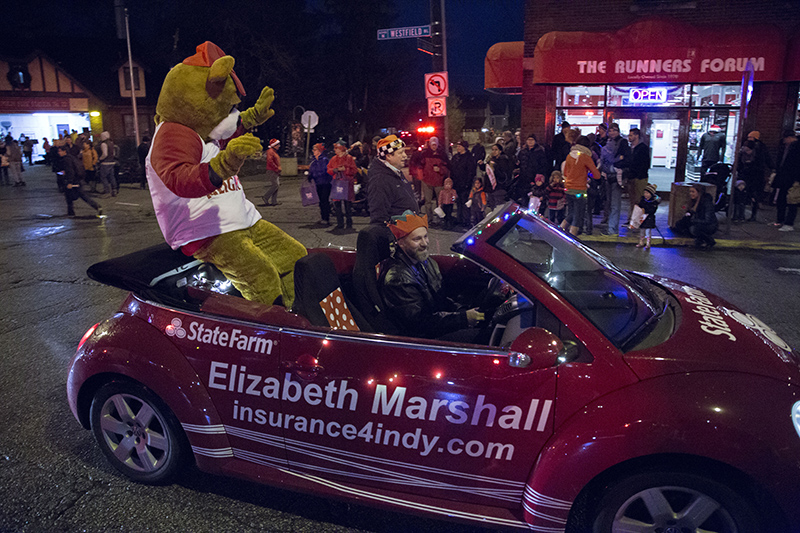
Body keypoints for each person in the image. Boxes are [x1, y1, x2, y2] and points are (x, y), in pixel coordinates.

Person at [379, 210, 484, 341]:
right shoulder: (398, 278)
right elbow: (419, 324)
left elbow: (440, 299)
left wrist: (463, 310)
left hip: (434, 326)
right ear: (401, 243)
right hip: (421, 340)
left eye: (425, 236)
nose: (424, 243)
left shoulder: (426, 262)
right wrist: (463, 318)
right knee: (482, 337)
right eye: (417, 239)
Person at [366, 135, 417, 225]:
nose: (405, 156)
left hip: (405, 231)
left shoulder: (395, 172)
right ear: (389, 156)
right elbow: (379, 217)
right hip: (397, 233)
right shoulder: (380, 180)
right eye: (401, 153)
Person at [560, 135, 600, 236]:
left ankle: (560, 230)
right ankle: (572, 237)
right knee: (578, 215)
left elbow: (565, 172)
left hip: (568, 188)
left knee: (571, 213)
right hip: (580, 189)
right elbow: (597, 174)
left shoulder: (569, 156)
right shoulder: (585, 157)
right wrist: (588, 174)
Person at [599, 123, 629, 235]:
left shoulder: (622, 142)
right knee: (610, 203)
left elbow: (625, 159)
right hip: (609, 176)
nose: (611, 132)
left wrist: (615, 164)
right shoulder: (608, 142)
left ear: (618, 131)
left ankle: (612, 229)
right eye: (610, 130)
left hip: (616, 177)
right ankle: (611, 227)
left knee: (615, 204)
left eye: (614, 130)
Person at [58, 145, 103, 217]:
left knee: (81, 195)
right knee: (71, 196)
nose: (59, 152)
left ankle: (96, 206)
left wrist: (69, 181)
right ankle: (71, 212)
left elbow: (70, 171)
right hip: (77, 179)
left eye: (60, 151)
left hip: (73, 181)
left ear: (64, 151)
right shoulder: (72, 157)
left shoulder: (66, 159)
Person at [413, 136, 449, 221]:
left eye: (435, 145)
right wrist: (421, 176)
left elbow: (447, 168)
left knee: (440, 202)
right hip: (427, 181)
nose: (434, 146)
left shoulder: (442, 154)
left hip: (438, 181)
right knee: (427, 202)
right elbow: (420, 166)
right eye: (432, 145)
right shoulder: (424, 154)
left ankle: (440, 218)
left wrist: (440, 170)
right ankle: (429, 219)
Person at [618, 127, 650, 221]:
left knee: (638, 199)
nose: (629, 137)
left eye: (631, 135)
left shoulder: (642, 148)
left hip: (639, 177)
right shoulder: (630, 148)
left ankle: (637, 220)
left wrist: (637, 174)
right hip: (632, 177)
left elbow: (645, 164)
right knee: (632, 200)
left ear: (637, 136)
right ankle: (632, 219)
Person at [772, 130, 800, 232]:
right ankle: (781, 220)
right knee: (782, 199)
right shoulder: (786, 147)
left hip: (792, 177)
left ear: (789, 138)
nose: (784, 141)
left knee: (792, 200)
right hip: (784, 176)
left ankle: (789, 223)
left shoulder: (796, 147)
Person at [674, 184, 718, 249]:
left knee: (693, 229)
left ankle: (709, 240)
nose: (691, 194)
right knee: (679, 225)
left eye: (693, 192)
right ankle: (698, 238)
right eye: (690, 191)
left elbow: (708, 220)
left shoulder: (706, 203)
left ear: (699, 192)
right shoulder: (695, 201)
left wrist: (692, 221)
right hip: (698, 221)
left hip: (709, 225)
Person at [327, 141, 358, 229]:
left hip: (347, 183)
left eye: (336, 148)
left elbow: (354, 170)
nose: (335, 150)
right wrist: (335, 170)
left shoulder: (349, 158)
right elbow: (329, 169)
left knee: (348, 204)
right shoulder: (333, 159)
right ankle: (340, 223)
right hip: (337, 183)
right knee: (337, 204)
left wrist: (345, 169)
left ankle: (349, 223)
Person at [516, 134, 549, 206]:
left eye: (532, 140)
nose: (530, 142)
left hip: (535, 177)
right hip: (524, 178)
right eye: (529, 140)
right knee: (524, 197)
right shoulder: (523, 151)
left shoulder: (539, 151)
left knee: (534, 199)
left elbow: (543, 165)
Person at [450, 140, 476, 228]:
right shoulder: (456, 157)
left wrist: (467, 183)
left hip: (465, 184)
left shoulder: (469, 157)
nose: (458, 148)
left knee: (465, 202)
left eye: (460, 146)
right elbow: (452, 169)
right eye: (457, 146)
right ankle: (459, 219)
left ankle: (466, 220)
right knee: (458, 202)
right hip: (456, 183)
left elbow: (471, 171)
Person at [308, 143, 331, 226]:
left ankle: (326, 218)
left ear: (319, 151)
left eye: (315, 150)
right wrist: (310, 176)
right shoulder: (314, 160)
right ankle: (323, 217)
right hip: (318, 183)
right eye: (313, 150)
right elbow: (312, 170)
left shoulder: (324, 160)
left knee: (324, 200)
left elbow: (324, 171)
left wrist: (315, 175)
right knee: (321, 201)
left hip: (325, 182)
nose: (313, 151)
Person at [487, 143, 513, 208]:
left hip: (499, 187)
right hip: (490, 188)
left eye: (496, 150)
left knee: (499, 207)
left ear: (500, 151)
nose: (494, 151)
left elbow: (504, 175)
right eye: (493, 150)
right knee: (492, 206)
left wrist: (495, 168)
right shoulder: (491, 160)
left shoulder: (503, 160)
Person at [634, 183, 659, 249]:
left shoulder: (653, 203)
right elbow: (640, 206)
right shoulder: (643, 200)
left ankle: (648, 243)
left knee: (648, 232)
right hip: (643, 218)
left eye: (647, 193)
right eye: (645, 193)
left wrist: (645, 210)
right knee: (642, 231)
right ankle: (641, 242)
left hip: (649, 219)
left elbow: (652, 210)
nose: (646, 195)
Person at [97, 131, 117, 197]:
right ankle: (114, 190)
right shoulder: (111, 143)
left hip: (105, 162)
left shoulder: (103, 144)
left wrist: (100, 159)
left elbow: (105, 154)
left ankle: (107, 191)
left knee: (103, 177)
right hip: (112, 162)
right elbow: (113, 153)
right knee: (112, 176)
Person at [262, 138, 281, 206]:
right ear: (274, 145)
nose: (279, 146)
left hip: (274, 170)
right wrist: (276, 168)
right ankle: (266, 197)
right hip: (272, 170)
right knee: (275, 185)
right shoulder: (271, 151)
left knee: (276, 185)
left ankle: (274, 201)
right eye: (278, 144)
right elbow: (270, 161)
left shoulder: (273, 151)